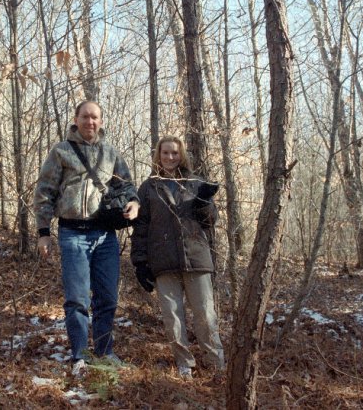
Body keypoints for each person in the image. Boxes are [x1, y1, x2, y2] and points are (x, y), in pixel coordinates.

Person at [34, 101, 140, 376]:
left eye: (94, 118)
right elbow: (45, 191)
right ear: (76, 119)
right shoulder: (61, 151)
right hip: (72, 233)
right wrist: (43, 233)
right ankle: (79, 354)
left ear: (101, 121)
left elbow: (127, 186)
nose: (89, 122)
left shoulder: (110, 153)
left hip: (105, 235)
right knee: (77, 299)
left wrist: (135, 204)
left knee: (107, 297)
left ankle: (104, 351)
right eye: (85, 117)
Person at [130, 135, 224, 380]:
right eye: (165, 153)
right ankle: (185, 364)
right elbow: (140, 228)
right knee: (173, 317)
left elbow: (210, 222)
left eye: (174, 153)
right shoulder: (148, 187)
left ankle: (216, 363)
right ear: (158, 156)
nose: (170, 157)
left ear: (181, 155)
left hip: (196, 258)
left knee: (205, 314)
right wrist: (140, 262)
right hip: (163, 261)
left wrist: (205, 202)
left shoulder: (194, 183)